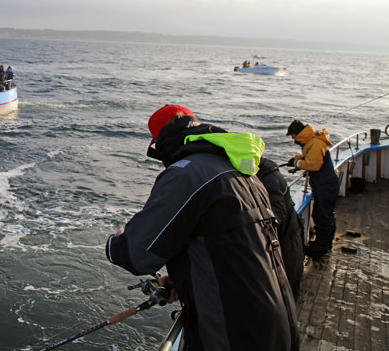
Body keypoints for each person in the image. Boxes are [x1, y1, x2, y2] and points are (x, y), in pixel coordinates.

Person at [106, 104, 298, 351]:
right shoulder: (242, 171)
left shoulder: (188, 173)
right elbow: (232, 244)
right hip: (279, 323)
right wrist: (182, 277)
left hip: (234, 332)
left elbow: (135, 255)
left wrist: (117, 241)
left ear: (162, 142)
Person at [286, 119, 338, 256]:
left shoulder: (315, 143)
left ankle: (321, 247)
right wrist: (296, 161)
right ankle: (325, 243)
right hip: (324, 183)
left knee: (322, 215)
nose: (293, 139)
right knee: (325, 214)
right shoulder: (311, 140)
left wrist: (297, 162)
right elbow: (309, 159)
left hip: (325, 184)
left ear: (298, 134)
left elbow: (314, 165)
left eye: (293, 136)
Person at [257, 157, 305, 298]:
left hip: (286, 239)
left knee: (288, 277)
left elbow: (276, 215)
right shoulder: (270, 175)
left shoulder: (269, 181)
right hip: (290, 235)